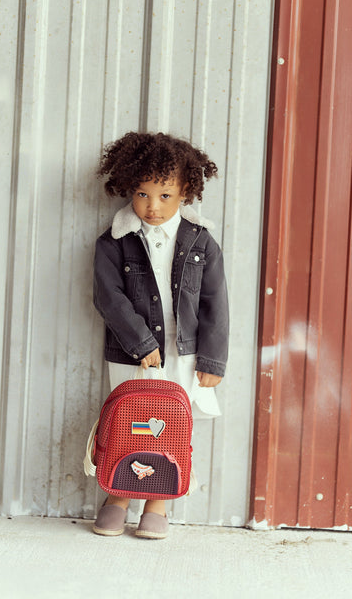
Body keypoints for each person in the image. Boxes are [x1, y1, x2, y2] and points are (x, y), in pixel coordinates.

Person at [92, 131, 229, 539]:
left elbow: (216, 302)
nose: (153, 206)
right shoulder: (114, 242)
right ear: (127, 189)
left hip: (182, 352)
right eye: (142, 194)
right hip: (130, 352)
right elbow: (108, 297)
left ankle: (158, 503)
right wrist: (140, 342)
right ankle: (118, 495)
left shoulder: (202, 242)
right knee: (130, 423)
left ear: (185, 192)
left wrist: (213, 359)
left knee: (171, 428)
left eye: (165, 196)